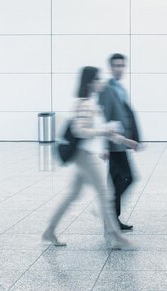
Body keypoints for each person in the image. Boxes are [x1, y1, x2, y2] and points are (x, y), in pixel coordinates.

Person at [43, 66, 137, 248]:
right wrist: (103, 131)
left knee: (72, 195)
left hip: (87, 155)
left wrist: (125, 141)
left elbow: (104, 131)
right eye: (97, 79)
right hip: (85, 156)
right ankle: (117, 237)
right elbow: (80, 130)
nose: (100, 82)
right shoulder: (84, 104)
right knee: (105, 194)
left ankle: (49, 231)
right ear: (89, 83)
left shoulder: (92, 103)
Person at [99, 53, 140, 231]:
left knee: (116, 182)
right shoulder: (107, 88)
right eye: (116, 65)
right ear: (110, 67)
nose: (119, 69)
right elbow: (104, 117)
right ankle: (108, 213)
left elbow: (125, 115)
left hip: (121, 143)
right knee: (128, 178)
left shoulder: (120, 88)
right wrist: (104, 145)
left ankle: (112, 219)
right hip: (113, 144)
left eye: (121, 65)